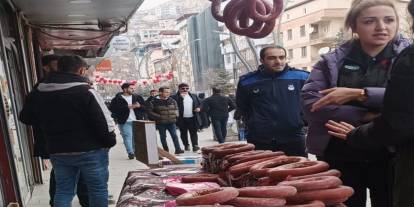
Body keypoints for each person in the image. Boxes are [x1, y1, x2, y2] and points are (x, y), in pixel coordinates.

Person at [301, 0, 410, 206]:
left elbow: (408, 101)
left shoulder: (408, 58)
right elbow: (312, 104)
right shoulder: (331, 62)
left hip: (391, 153)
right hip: (340, 152)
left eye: (389, 20)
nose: (381, 27)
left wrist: (360, 94)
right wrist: (365, 115)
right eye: (370, 21)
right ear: (354, 26)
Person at [19, 55, 116, 207]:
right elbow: (103, 121)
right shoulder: (86, 92)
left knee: (64, 191)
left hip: (58, 150)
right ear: (81, 70)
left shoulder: (39, 91)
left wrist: (50, 122)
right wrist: (110, 141)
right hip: (90, 150)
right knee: (97, 190)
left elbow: (25, 117)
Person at [35, 54, 90, 207]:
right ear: (46, 67)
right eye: (56, 65)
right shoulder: (41, 88)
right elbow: (27, 116)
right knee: (64, 184)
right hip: (59, 144)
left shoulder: (79, 86)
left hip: (74, 143)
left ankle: (84, 201)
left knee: (75, 181)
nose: (60, 69)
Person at [236, 45, 309, 156]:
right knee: (261, 173)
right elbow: (242, 107)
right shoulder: (247, 81)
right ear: (262, 60)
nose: (278, 61)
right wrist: (253, 125)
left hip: (294, 138)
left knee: (297, 172)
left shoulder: (302, 77)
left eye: (281, 57)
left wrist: (301, 120)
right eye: (272, 58)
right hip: (260, 140)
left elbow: (311, 103)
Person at [109, 82, 146, 159]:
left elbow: (145, 107)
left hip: (137, 120)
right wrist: (126, 107)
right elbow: (112, 109)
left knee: (135, 138)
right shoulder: (117, 98)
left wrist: (139, 106)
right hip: (124, 121)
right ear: (125, 89)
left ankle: (135, 151)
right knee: (127, 137)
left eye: (133, 88)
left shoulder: (137, 97)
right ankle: (130, 152)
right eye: (131, 88)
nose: (133, 90)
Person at [148, 87, 184, 154]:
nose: (168, 93)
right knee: (163, 137)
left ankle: (178, 149)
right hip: (161, 123)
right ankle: (166, 150)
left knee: (175, 136)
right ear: (160, 92)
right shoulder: (153, 102)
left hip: (171, 122)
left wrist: (176, 115)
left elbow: (176, 109)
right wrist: (159, 117)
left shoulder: (172, 100)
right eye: (166, 92)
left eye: (169, 92)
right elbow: (150, 112)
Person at [172, 83, 201, 152]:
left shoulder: (193, 96)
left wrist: (199, 108)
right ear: (179, 89)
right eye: (183, 88)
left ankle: (195, 145)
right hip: (181, 119)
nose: (185, 90)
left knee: (193, 132)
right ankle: (186, 145)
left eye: (187, 88)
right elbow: (173, 106)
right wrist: (181, 98)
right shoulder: (174, 97)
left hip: (192, 117)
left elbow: (200, 103)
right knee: (183, 133)